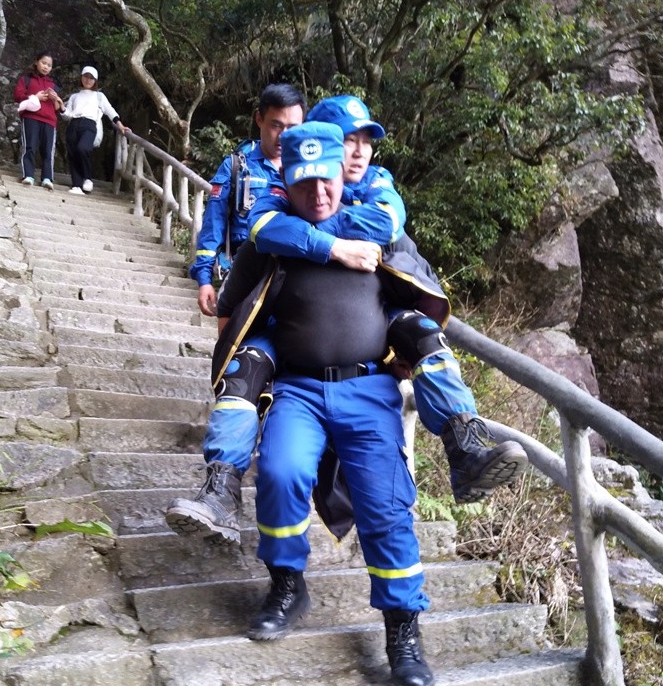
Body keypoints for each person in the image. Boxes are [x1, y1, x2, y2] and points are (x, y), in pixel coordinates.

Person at [165, 95, 527, 544]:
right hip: (293, 341)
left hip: (372, 332)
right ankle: (221, 489)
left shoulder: (375, 183)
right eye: (347, 140)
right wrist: (332, 244)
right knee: (246, 371)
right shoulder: (285, 187)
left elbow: (389, 221)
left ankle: (465, 446)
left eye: (365, 141)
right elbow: (262, 228)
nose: (358, 151)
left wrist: (318, 225)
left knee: (425, 337)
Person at [214, 121, 437, 686]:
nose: (319, 194)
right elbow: (233, 304)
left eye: (328, 180)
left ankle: (402, 631)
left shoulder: (378, 227)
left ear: (345, 173)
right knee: (281, 474)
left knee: (385, 508)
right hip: (298, 388)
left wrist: (411, 343)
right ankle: (287, 584)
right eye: (305, 181)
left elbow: (420, 289)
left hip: (368, 391)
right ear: (284, 179)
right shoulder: (274, 235)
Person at [189, 83, 306, 317]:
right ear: (259, 119)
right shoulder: (236, 167)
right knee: (233, 345)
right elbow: (214, 224)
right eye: (276, 125)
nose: (284, 136)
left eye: (293, 128)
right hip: (244, 274)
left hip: (294, 278)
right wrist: (204, 279)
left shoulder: (311, 172)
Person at [60, 66, 130, 194]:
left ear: (95, 81)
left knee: (83, 148)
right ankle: (76, 184)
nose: (88, 80)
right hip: (73, 124)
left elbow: (110, 111)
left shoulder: (99, 96)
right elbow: (67, 115)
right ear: (81, 77)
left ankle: (87, 178)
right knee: (73, 153)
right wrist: (61, 108)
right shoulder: (74, 96)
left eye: (91, 78)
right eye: (86, 76)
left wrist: (120, 125)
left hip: (89, 124)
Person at [14, 51, 64, 190]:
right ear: (36, 62)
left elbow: (58, 108)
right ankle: (28, 175)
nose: (46, 67)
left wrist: (55, 99)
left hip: (49, 120)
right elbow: (18, 95)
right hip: (31, 117)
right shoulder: (26, 79)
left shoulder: (53, 86)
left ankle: (47, 178)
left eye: (49, 65)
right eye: (43, 63)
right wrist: (34, 96)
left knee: (48, 151)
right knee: (29, 146)